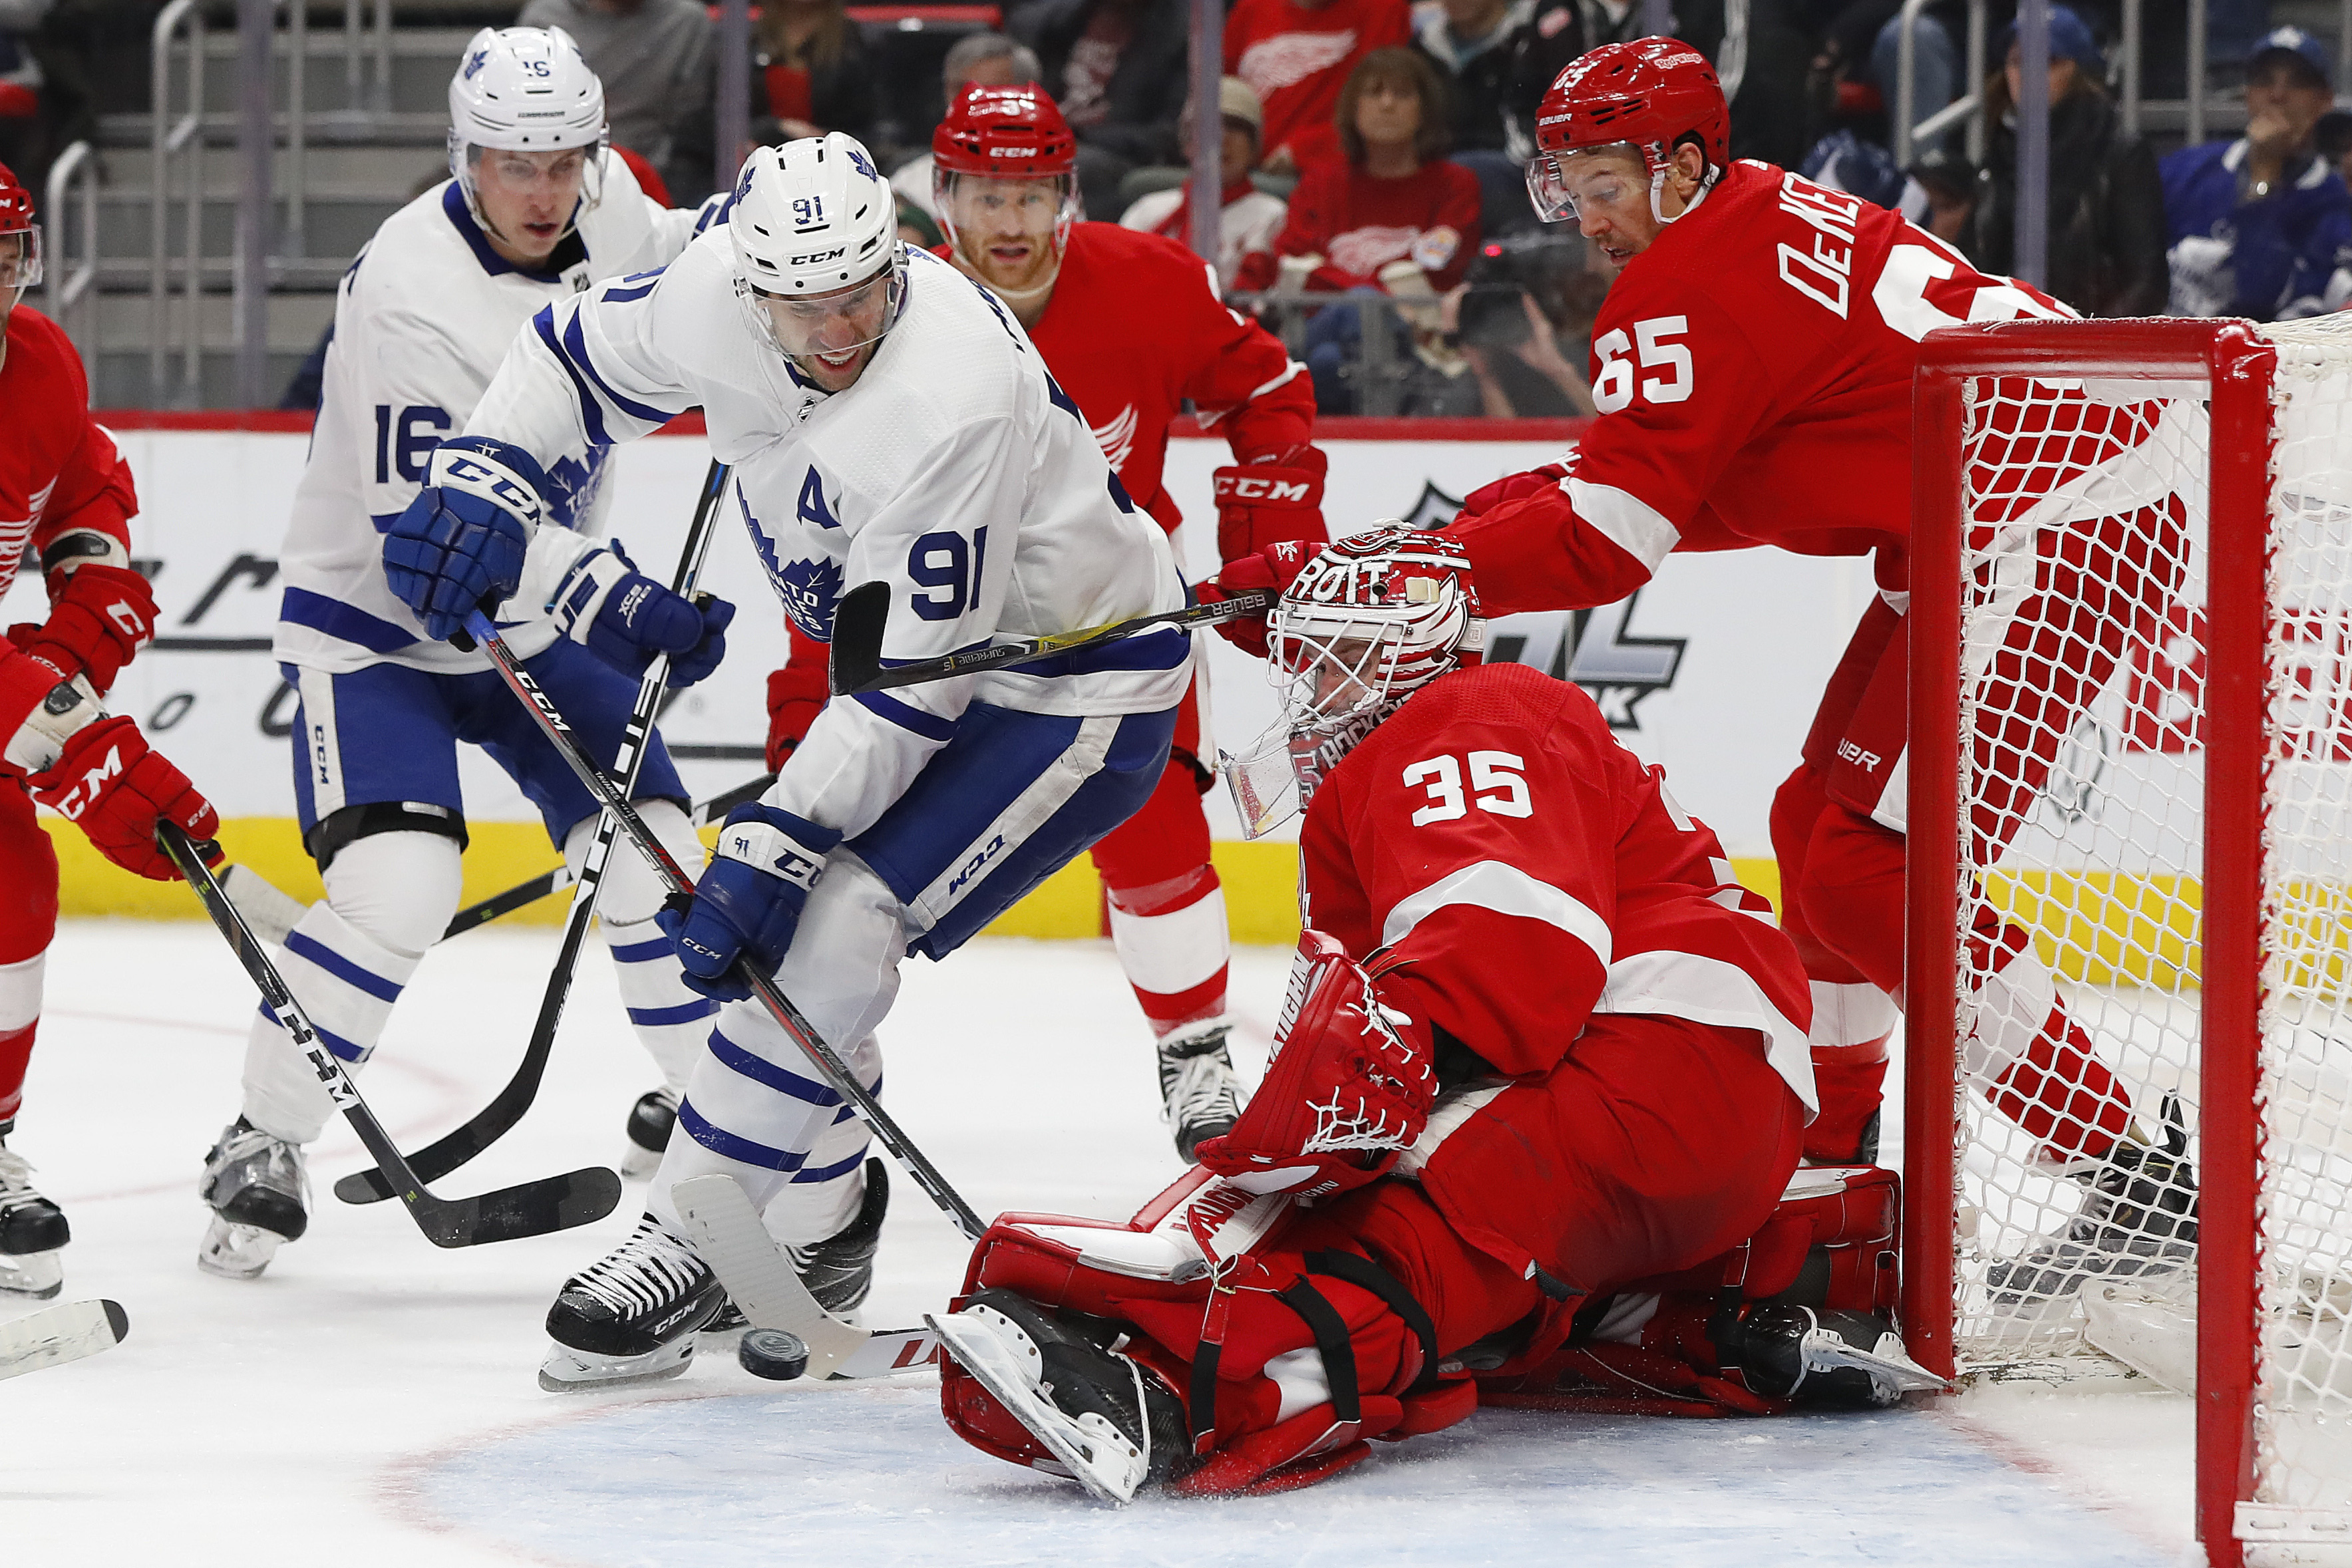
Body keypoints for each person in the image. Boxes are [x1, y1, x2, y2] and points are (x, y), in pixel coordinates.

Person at [1211, 39, 2202, 1299]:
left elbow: (1609, 539)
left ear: (1682, 165)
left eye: (1604, 178)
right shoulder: (1740, 222)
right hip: (2003, 505)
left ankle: (2128, 1169)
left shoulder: (1685, 285)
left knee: (1859, 860)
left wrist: (1419, 574)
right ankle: (1840, 1160)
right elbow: (1665, 490)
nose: (1584, 213)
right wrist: (1407, 550)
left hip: (2054, 511)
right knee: (1820, 831)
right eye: (1563, 182)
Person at [383, 130, 1192, 1390]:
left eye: (861, 291)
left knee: (840, 907)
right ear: (750, 284)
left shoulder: (951, 396)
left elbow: (906, 700)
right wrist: (490, 474)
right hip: (928, 666)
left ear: (897, 258)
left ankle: (691, 1233)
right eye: (802, 302)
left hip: (1074, 683)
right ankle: (823, 1229)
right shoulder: (713, 287)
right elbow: (567, 360)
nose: (834, 329)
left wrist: (777, 837)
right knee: (790, 929)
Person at [925, 530, 1945, 1500]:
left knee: (1391, 1216)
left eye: (1334, 667)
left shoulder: (1468, 712)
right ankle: (1701, 1306)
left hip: (1651, 1059)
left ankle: (1218, 1380)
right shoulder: (1465, 729)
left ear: (1406, 660)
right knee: (1472, 1251)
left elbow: (1507, 942)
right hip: (1692, 1096)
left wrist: (1374, 1088)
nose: (1311, 697)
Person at [190, 27, 738, 1284]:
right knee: (400, 887)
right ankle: (263, 1133)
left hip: (529, 632)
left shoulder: (606, 212)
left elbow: (695, 270)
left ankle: (730, 1140)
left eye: (564, 161)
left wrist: (760, 224)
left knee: (652, 860)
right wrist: (615, 602)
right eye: (512, 164)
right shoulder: (407, 285)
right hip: (381, 617)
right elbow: (435, 541)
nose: (543, 193)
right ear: (465, 155)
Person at [768, 86, 1323, 1158]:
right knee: (827, 855)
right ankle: (776, 1074)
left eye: (1032, 193)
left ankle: (1194, 1051)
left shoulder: (1148, 286)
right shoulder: (867, 319)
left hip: (1112, 622)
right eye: (984, 194)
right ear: (941, 198)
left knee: (1155, 834)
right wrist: (805, 709)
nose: (1010, 224)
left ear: (1068, 194)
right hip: (934, 629)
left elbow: (1268, 388)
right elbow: (828, 547)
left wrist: (1270, 504)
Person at [0, 159, 222, 1299]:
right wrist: (70, 738)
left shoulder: (39, 363)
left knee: (11, 883)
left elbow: (85, 500)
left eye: (2, 260)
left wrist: (71, 649)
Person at [1275, 49, 1481, 411]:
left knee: (1327, 360)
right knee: (1357, 312)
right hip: (1321, 327)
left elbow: (1440, 267)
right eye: (1374, 92)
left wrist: (1346, 284)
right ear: (1353, 108)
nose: (1387, 104)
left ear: (1425, 110)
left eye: (1402, 94)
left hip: (1420, 344)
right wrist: (1371, 294)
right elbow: (1295, 267)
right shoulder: (1321, 183)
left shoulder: (1454, 186)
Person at [1957, 6, 2166, 318]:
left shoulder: (2121, 154)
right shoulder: (1998, 156)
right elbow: (1977, 272)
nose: (2027, 74)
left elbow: (2147, 283)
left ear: (2081, 73)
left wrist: (2084, 346)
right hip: (2008, 345)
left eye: (2047, 61)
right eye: (2017, 61)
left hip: (2096, 350)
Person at [2162, 27, 2352, 321]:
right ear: (2247, 94)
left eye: (2298, 83)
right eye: (2264, 81)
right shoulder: (2187, 169)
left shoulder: (2335, 202)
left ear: (2324, 101)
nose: (2277, 96)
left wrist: (2263, 174)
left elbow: (2255, 298)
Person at [517, 0, 715, 200]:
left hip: (658, 178)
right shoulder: (543, 18)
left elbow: (689, 121)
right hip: (565, 171)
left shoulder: (687, 21)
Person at [1012, 0, 1190, 220]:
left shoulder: (1177, 35)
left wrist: (1081, 135)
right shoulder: (1065, 21)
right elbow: (1019, 23)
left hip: (1116, 152)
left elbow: (1169, 133)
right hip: (1052, 136)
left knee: (1069, 166)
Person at [1118, 75, 1289, 293]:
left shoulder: (1274, 216)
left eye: (1236, 128)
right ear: (1187, 142)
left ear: (1254, 147)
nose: (1222, 138)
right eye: (1210, 125)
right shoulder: (1149, 209)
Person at [1222, 0, 1411, 175]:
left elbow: (1384, 113)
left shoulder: (1383, 9)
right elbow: (1219, 99)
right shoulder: (1252, 8)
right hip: (1241, 178)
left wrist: (1307, 149)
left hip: (1328, 175)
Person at [888, 32, 1043, 223]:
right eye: (960, 89)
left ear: (1028, 96)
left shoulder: (1054, 182)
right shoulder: (910, 184)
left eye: (987, 93)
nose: (971, 104)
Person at [753, 0, 874, 146]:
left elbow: (869, 125)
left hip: (832, 154)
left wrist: (824, 139)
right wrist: (777, 128)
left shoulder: (851, 42)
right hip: (760, 150)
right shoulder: (751, 39)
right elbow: (731, 118)